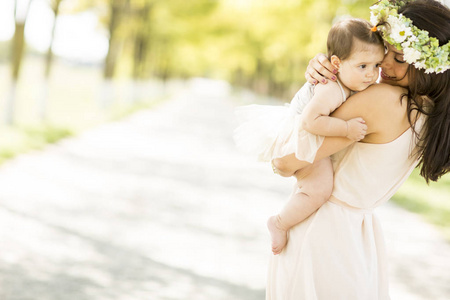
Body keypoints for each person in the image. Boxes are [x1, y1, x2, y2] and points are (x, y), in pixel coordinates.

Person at [267, 0, 450, 299]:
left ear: (428, 64)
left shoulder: (383, 100)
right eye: (384, 52)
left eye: (400, 57)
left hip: (322, 232)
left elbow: (288, 159)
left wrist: (318, 88)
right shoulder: (430, 114)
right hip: (359, 237)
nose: (385, 66)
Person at [235, 18, 385, 255]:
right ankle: (280, 222)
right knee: (320, 189)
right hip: (297, 137)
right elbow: (310, 121)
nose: (372, 74)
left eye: (377, 65)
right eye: (363, 66)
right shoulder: (331, 88)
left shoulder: (349, 82)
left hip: (306, 135)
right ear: (336, 63)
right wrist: (346, 129)